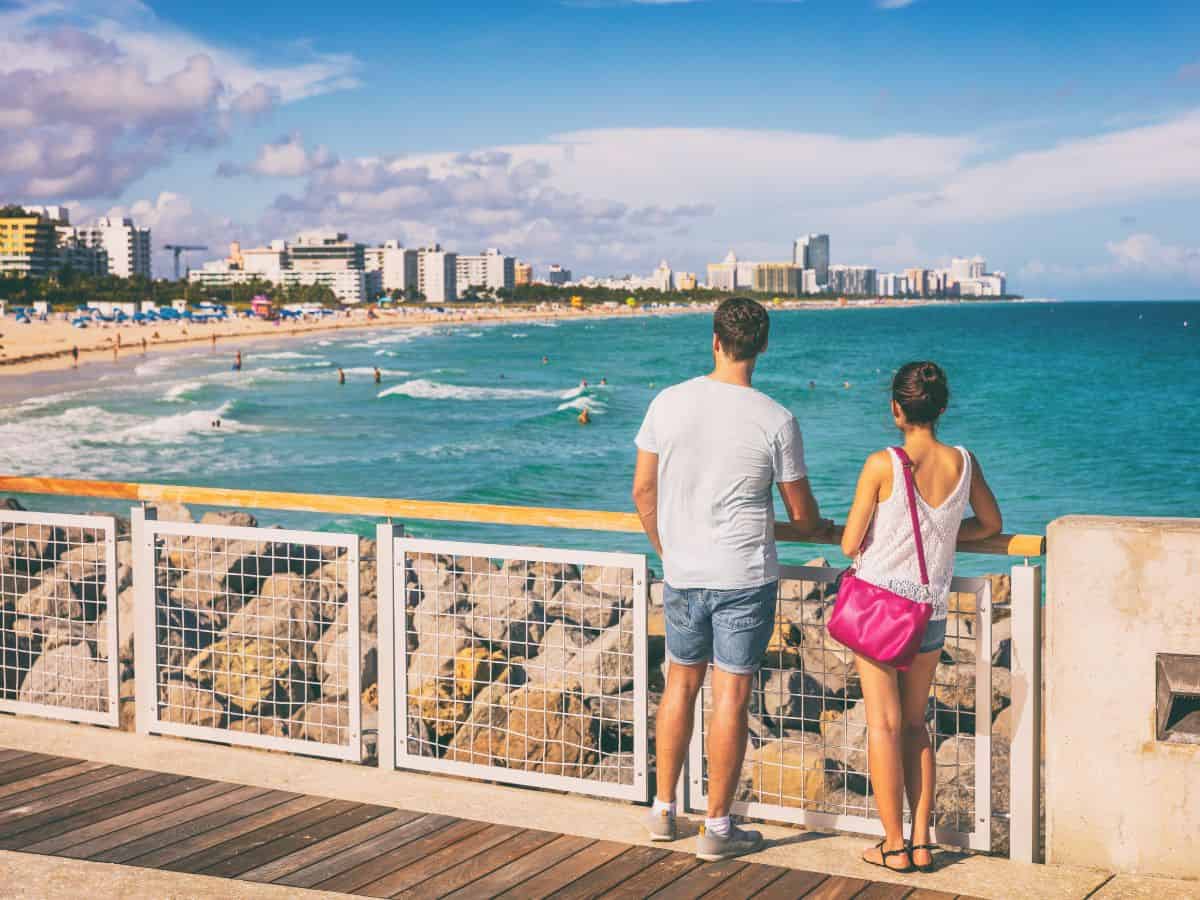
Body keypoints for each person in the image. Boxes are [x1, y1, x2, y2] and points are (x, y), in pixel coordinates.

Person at [632, 297, 831, 862]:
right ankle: (718, 828)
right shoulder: (775, 418)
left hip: (683, 571)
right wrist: (822, 527)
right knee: (731, 697)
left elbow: (643, 490)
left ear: (715, 341)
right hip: (743, 574)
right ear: (762, 347)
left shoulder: (668, 403)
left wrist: (666, 548)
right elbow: (802, 515)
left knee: (679, 685)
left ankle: (664, 811)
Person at [840, 361, 1002, 874]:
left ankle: (891, 846)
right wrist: (948, 536)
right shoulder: (964, 462)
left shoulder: (882, 464)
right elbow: (991, 525)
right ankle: (922, 839)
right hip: (928, 611)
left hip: (879, 610)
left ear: (896, 409)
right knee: (916, 725)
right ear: (942, 408)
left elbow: (848, 542)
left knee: (883, 726)